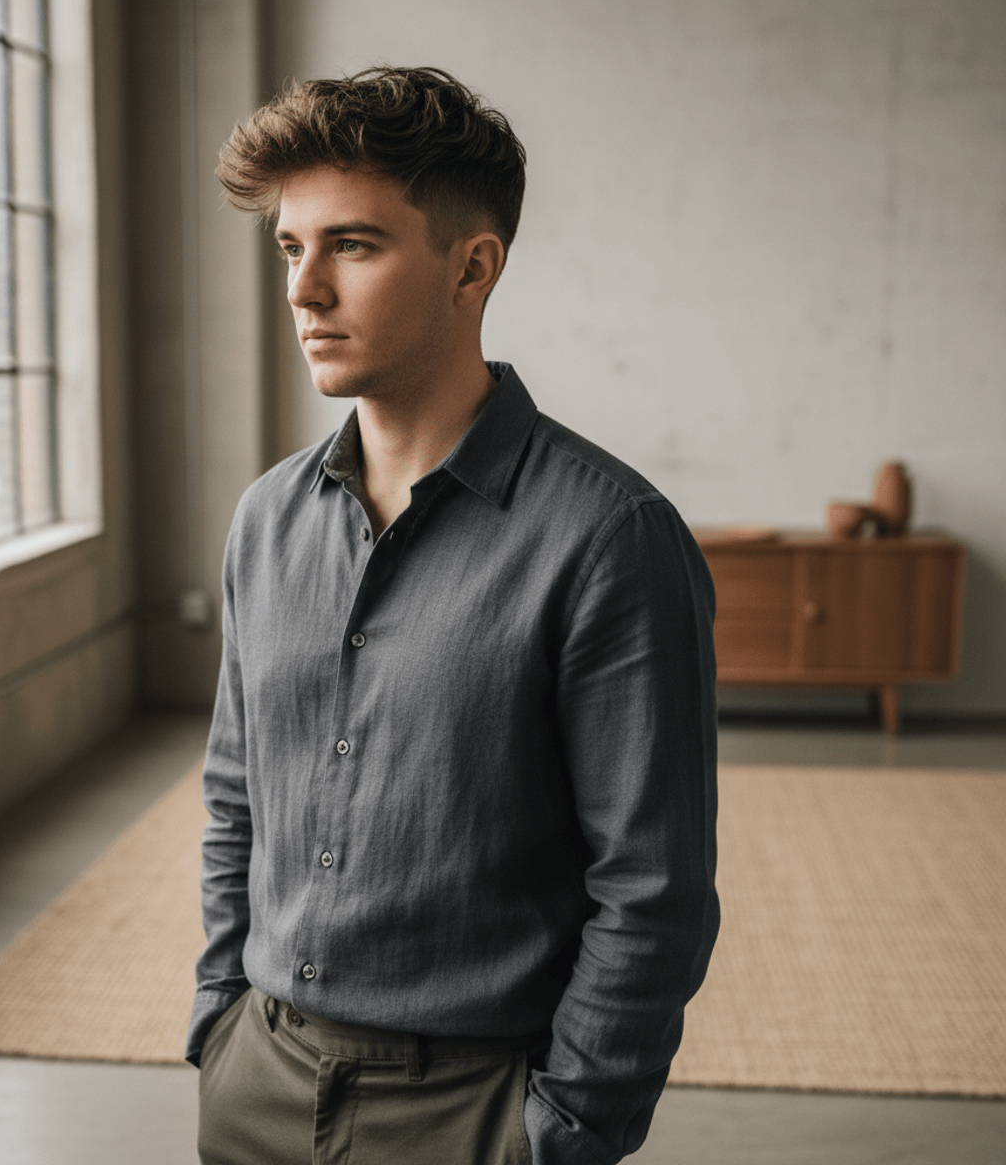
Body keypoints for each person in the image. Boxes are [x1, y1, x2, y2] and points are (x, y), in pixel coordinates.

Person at [186, 66, 719, 1165]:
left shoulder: (610, 535)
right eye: (292, 248)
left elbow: (652, 887)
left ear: (473, 266)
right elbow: (237, 795)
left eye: (355, 246)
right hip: (257, 1082)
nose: (303, 290)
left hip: (475, 1110)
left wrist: (562, 1133)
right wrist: (218, 1025)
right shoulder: (265, 521)